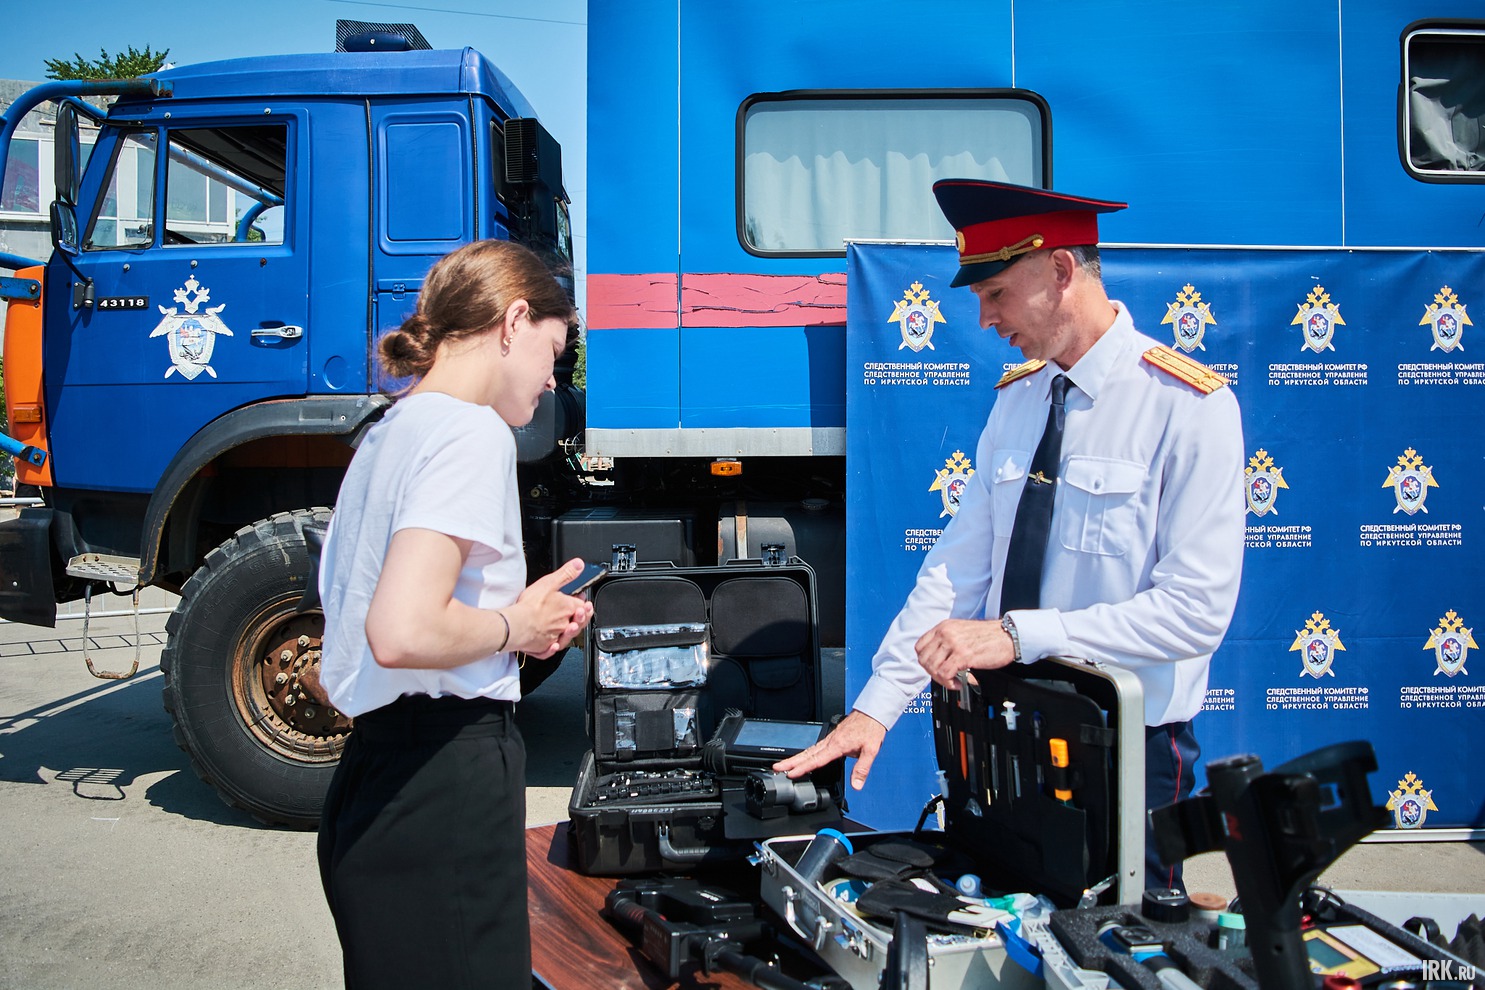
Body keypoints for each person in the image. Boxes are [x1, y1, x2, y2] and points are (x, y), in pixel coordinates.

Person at [777, 179, 1246, 891]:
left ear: (1059, 271)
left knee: (1122, 948)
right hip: (1007, 736)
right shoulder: (1019, 400)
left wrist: (1018, 635)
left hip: (1122, 753)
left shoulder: (1187, 407)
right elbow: (953, 574)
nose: (984, 318)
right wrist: (877, 706)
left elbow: (1194, 613)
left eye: (994, 293)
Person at [315, 238, 594, 988]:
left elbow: (352, 638)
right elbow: (402, 630)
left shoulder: (387, 430)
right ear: (513, 321)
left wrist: (503, 627)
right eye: (553, 351)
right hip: (442, 781)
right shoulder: (471, 432)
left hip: (377, 774)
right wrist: (517, 629)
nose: (550, 380)